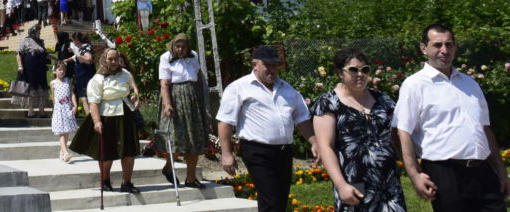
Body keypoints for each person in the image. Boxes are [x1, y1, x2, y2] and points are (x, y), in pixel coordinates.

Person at [393, 24, 510, 212]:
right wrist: (415, 175)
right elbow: (403, 131)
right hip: (444, 172)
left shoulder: (469, 83)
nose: (444, 50)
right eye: (437, 45)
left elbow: (485, 129)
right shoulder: (414, 85)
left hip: (483, 171)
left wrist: (501, 171)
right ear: (424, 48)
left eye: (449, 44)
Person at [217, 45, 319, 212]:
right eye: (267, 65)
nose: (272, 69)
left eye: (275, 65)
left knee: (279, 200)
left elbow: (301, 118)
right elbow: (225, 121)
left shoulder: (288, 89)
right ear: (255, 64)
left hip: (284, 152)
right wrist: (226, 153)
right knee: (271, 199)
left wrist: (314, 142)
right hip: (257, 151)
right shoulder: (239, 87)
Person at [313, 47, 405, 212]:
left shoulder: (383, 100)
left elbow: (398, 136)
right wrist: (341, 185)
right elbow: (325, 147)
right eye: (353, 70)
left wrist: (413, 169)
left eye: (365, 70)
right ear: (341, 73)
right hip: (353, 183)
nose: (360, 74)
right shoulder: (328, 103)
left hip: (388, 184)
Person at [69, 48, 142, 193]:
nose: (114, 62)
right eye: (110, 59)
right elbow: (94, 103)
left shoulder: (125, 73)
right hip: (106, 116)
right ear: (104, 59)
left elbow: (133, 88)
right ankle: (105, 181)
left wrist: (135, 96)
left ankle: (126, 183)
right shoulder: (98, 79)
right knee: (107, 152)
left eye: (116, 59)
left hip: (126, 114)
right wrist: (96, 121)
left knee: (129, 151)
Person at [155, 33, 210, 188]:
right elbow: (164, 84)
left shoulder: (193, 56)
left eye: (183, 46)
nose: (180, 49)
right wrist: (167, 105)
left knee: (194, 139)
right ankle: (168, 168)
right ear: (173, 45)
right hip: (175, 98)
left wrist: (201, 99)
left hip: (192, 98)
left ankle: (191, 179)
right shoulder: (165, 57)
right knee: (176, 139)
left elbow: (198, 77)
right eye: (177, 46)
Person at [16, 25, 49, 118]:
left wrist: (56, 59)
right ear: (33, 32)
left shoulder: (41, 42)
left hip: (41, 68)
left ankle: (41, 110)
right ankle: (31, 111)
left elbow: (45, 54)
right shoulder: (25, 40)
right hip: (30, 68)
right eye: (38, 32)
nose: (39, 33)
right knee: (31, 89)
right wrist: (20, 65)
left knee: (42, 88)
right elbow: (18, 53)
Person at [51, 61, 79, 161]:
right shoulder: (53, 83)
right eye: (59, 69)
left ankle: (61, 152)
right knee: (62, 132)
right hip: (59, 109)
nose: (62, 71)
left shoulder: (68, 81)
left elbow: (72, 94)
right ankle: (66, 153)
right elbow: (53, 97)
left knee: (66, 132)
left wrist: (75, 105)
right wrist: (55, 109)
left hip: (68, 107)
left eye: (63, 69)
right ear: (55, 71)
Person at [67, 32, 95, 115]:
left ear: (77, 40)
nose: (73, 42)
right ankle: (90, 119)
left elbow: (89, 59)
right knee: (84, 99)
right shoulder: (81, 49)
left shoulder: (86, 47)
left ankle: (90, 120)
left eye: (73, 40)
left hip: (85, 77)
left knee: (85, 99)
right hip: (81, 76)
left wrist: (78, 55)